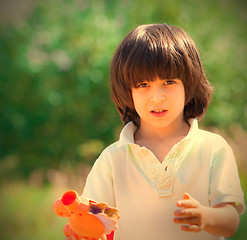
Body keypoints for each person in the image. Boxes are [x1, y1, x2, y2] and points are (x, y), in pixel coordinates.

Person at [81, 24, 245, 240]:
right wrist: (84, 228)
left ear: (189, 85)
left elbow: (231, 222)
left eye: (169, 82)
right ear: (127, 91)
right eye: (143, 84)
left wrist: (205, 217)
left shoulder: (213, 148)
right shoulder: (112, 159)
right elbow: (93, 217)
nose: (157, 97)